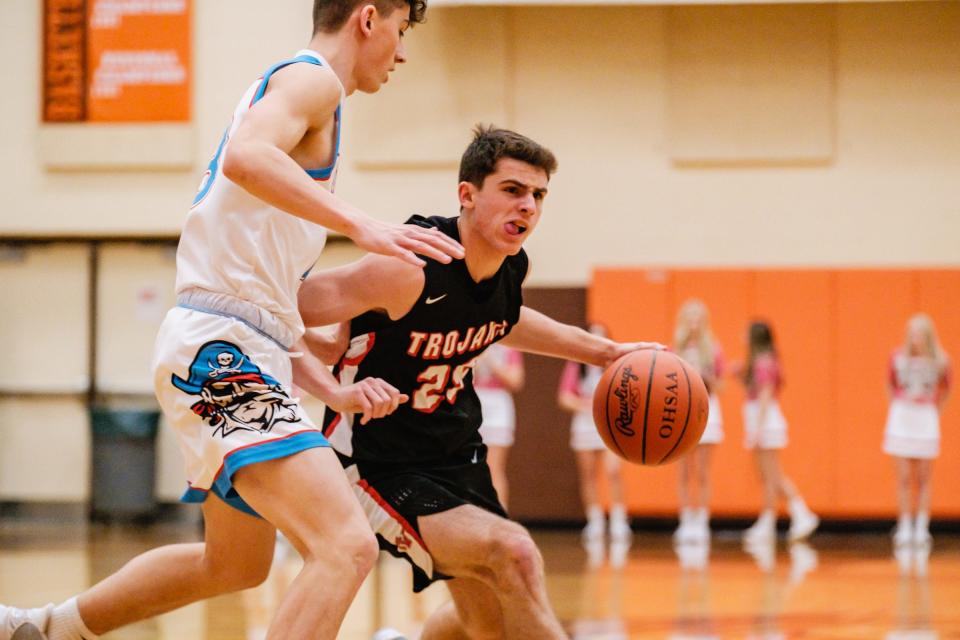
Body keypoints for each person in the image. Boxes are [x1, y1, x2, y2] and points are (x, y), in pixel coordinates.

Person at [0, 3, 465, 640]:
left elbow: (263, 299)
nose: (403, 51)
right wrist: (362, 224)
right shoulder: (314, 81)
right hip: (222, 350)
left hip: (242, 343)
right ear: (367, 18)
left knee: (236, 563)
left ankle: (43, 629)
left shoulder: (305, 100)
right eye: (401, 30)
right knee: (346, 545)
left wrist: (331, 388)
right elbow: (248, 155)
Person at [297, 126, 662, 639]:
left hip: (457, 453)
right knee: (514, 554)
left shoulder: (510, 269)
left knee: (485, 620)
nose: (528, 206)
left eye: (538, 195)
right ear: (467, 195)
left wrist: (604, 352)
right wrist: (333, 374)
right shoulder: (410, 266)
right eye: (513, 190)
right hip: (378, 461)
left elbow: (506, 319)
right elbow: (283, 307)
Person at [740, 321, 819, 546]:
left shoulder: (763, 361)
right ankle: (771, 520)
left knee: (773, 476)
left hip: (765, 420)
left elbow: (765, 394)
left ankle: (800, 513)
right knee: (765, 476)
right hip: (762, 419)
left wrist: (758, 427)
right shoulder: (761, 360)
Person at [557, 324, 632, 546]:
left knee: (614, 470)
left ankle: (619, 520)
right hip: (584, 422)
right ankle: (595, 520)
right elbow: (564, 397)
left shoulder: (617, 366)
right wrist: (585, 405)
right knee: (588, 474)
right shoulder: (576, 364)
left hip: (610, 422)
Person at [883, 313, 951, 546]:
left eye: (920, 335)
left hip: (925, 418)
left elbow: (947, 389)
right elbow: (889, 384)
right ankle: (904, 525)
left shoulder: (940, 360)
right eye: (912, 334)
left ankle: (922, 527)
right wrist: (899, 405)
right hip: (902, 416)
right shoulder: (897, 357)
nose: (916, 339)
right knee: (902, 477)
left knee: (923, 477)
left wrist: (934, 410)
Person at [672, 299, 725, 544]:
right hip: (683, 410)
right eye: (689, 317)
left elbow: (721, 387)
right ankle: (685, 520)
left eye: (698, 317)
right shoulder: (675, 349)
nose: (694, 322)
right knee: (684, 469)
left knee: (703, 470)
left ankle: (702, 520)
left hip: (707, 409)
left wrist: (705, 375)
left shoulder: (713, 349)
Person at [474, 343, 525, 508]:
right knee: (471, 466)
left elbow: (516, 381)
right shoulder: (470, 342)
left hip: (498, 404)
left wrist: (490, 358)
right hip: (474, 401)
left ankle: (499, 514)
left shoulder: (509, 347)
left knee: (495, 468)